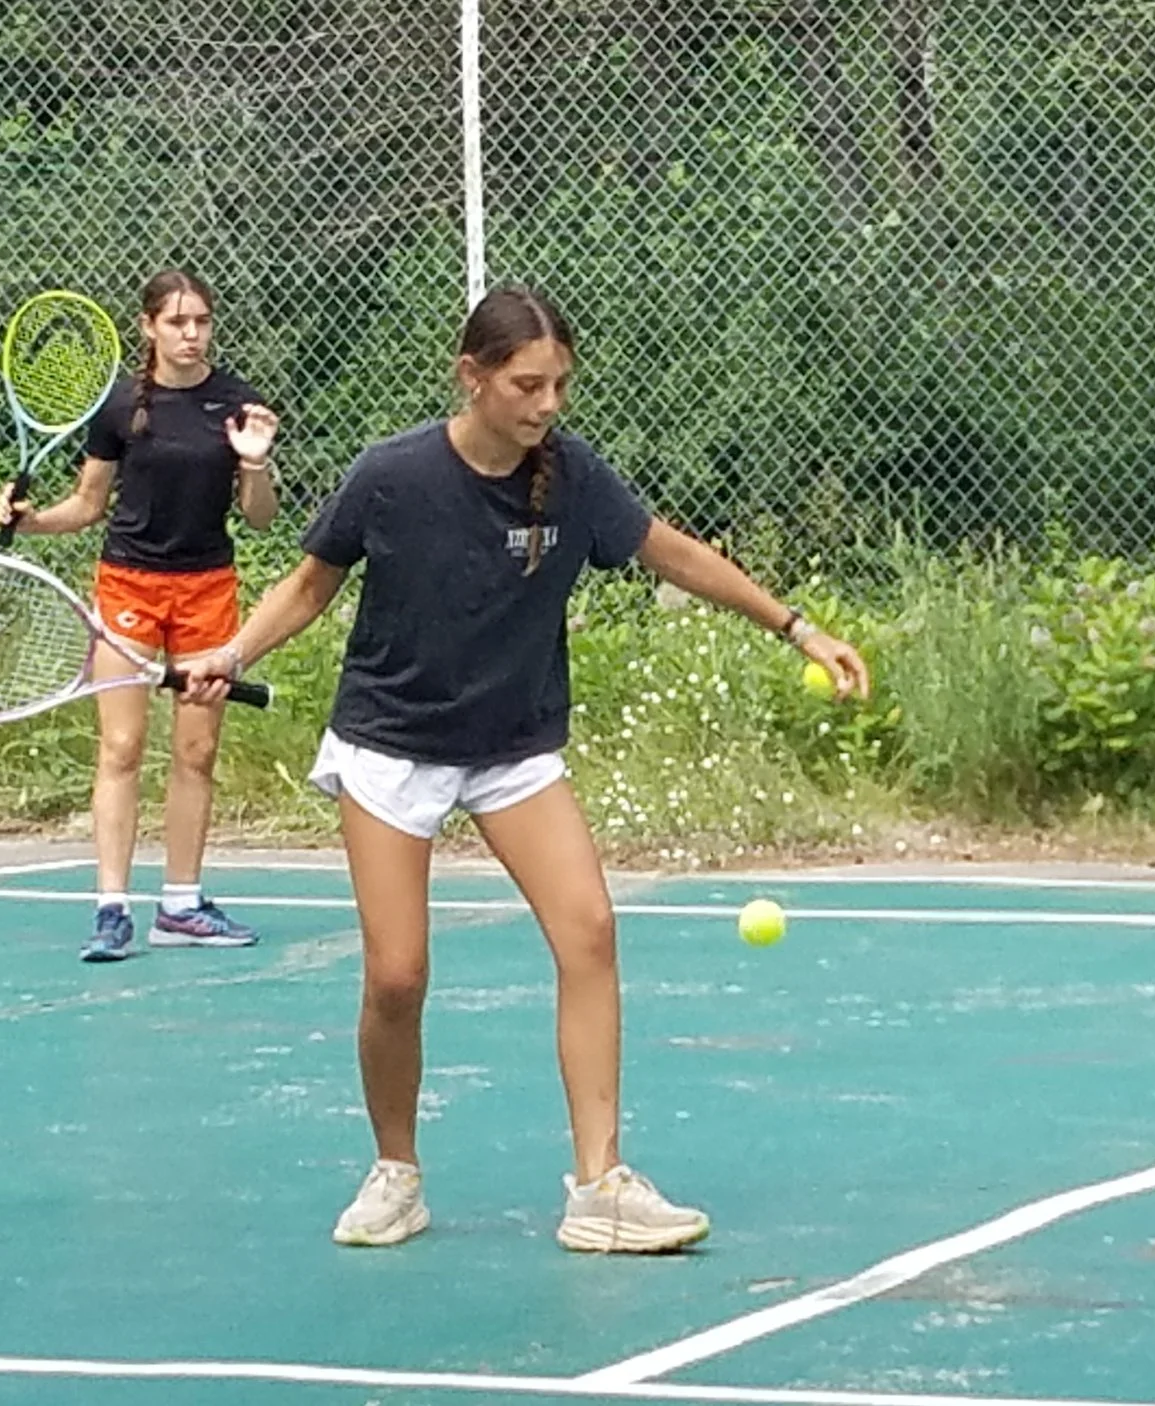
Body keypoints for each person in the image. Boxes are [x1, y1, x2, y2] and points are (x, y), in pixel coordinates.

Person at [176, 283, 870, 1253]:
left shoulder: (572, 475)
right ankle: (395, 1172)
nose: (547, 404)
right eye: (527, 384)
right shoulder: (393, 473)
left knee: (588, 929)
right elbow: (309, 584)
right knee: (397, 977)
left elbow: (670, 552)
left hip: (511, 747)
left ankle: (601, 1187)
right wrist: (232, 654)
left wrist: (798, 625)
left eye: (559, 385)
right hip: (391, 741)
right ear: (474, 376)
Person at [0, 269, 278, 963]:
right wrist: (29, 523)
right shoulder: (120, 406)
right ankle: (112, 910)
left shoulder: (238, 404)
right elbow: (87, 506)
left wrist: (255, 463)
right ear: (148, 326)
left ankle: (180, 904)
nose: (191, 334)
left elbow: (261, 519)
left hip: (207, 590)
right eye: (177, 322)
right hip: (127, 588)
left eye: (202, 322)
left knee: (197, 752)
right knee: (120, 749)